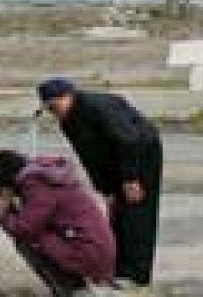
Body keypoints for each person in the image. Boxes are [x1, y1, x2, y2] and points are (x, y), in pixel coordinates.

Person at [36, 78, 163, 295]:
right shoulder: (68, 121)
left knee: (137, 214)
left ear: (67, 96)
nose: (52, 113)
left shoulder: (97, 108)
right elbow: (88, 157)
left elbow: (129, 140)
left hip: (141, 153)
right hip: (114, 159)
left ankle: (137, 277)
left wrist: (131, 178)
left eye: (54, 107)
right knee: (117, 214)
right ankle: (119, 270)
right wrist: (106, 189)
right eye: (49, 109)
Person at [0, 150, 116, 297]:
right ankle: (74, 285)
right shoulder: (46, 175)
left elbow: (25, 229)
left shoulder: (37, 185)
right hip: (98, 249)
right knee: (39, 234)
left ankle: (71, 290)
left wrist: (4, 213)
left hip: (89, 252)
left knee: (26, 241)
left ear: (5, 184)